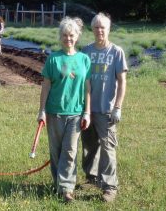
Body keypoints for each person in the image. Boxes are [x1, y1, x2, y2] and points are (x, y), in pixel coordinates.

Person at [37, 16, 91, 203]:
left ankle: (67, 189)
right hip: (54, 113)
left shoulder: (84, 59)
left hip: (76, 113)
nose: (69, 38)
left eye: (72, 35)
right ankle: (57, 184)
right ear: (61, 37)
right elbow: (45, 86)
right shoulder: (53, 59)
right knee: (56, 151)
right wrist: (41, 110)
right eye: (65, 35)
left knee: (70, 151)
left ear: (77, 37)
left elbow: (87, 88)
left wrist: (87, 112)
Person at [81, 12, 128, 202]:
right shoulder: (86, 52)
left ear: (108, 29)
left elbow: (122, 82)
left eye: (103, 27)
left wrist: (118, 107)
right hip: (88, 109)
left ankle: (110, 186)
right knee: (89, 145)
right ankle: (92, 177)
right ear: (92, 30)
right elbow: (83, 81)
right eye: (96, 27)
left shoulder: (116, 52)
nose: (100, 30)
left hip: (106, 109)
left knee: (108, 147)